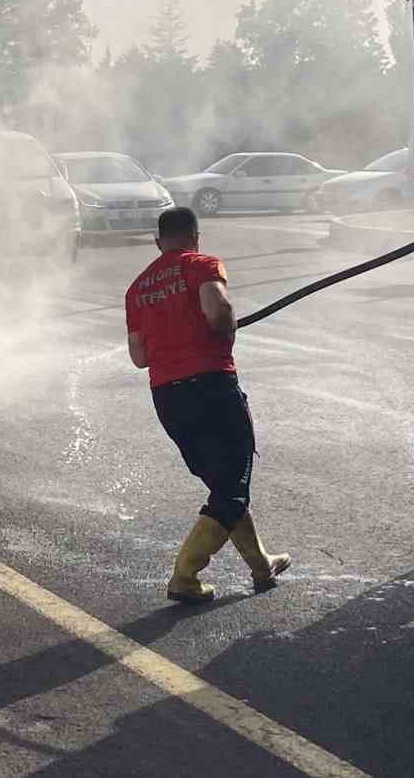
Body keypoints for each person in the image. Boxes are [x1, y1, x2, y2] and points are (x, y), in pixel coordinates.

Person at [125, 207, 290, 604]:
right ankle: (184, 575)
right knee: (232, 488)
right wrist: (224, 326)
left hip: (168, 398)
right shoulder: (202, 265)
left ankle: (261, 565)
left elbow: (139, 357)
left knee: (222, 484)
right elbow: (217, 310)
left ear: (158, 241)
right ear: (195, 236)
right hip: (211, 388)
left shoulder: (137, 288)